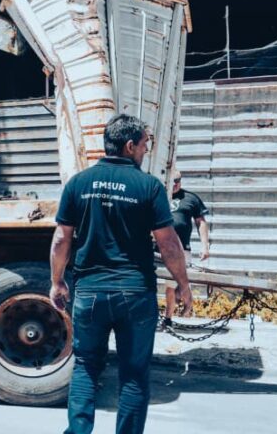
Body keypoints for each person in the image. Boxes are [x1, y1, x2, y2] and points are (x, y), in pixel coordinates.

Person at [49, 114, 192, 434]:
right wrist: (183, 284)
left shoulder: (78, 183)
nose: (146, 150)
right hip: (135, 294)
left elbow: (61, 240)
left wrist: (57, 281)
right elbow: (168, 243)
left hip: (89, 293)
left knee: (86, 367)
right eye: (144, 144)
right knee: (134, 373)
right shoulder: (148, 186)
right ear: (129, 146)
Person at [163, 169, 211, 327]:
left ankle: (185, 304)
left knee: (177, 282)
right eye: (172, 182)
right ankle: (168, 318)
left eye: (177, 182)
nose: (174, 185)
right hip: (160, 247)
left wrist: (205, 246)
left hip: (182, 248)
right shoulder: (160, 195)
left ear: (180, 181)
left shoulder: (190, 198)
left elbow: (201, 222)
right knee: (170, 285)